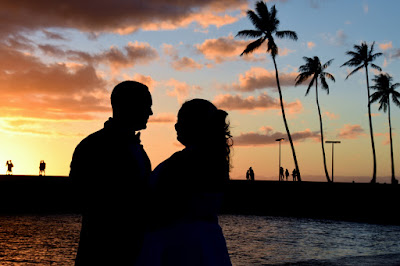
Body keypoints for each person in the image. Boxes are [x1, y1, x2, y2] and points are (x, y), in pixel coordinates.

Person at [137, 99, 232, 266]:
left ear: (194, 124)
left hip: (181, 246)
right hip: (207, 245)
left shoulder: (184, 162)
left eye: (180, 120)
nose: (175, 126)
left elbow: (163, 204)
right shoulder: (213, 159)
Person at [69, 81, 153, 265]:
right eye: (147, 106)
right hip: (104, 252)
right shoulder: (93, 146)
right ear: (129, 106)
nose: (150, 113)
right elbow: (80, 196)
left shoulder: (136, 149)